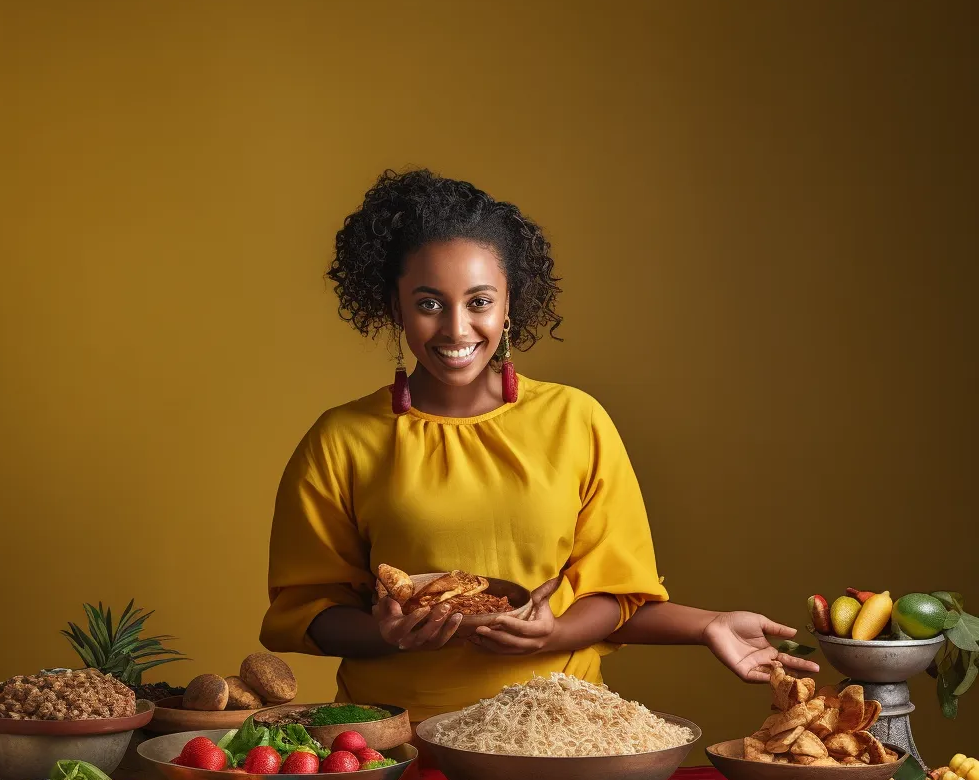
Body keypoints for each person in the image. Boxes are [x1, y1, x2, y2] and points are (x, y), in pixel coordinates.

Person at [260, 169, 817, 723]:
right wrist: (387, 634)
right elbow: (308, 607)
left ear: (509, 306)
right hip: (399, 742)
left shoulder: (576, 420)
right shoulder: (340, 440)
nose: (457, 329)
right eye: (429, 304)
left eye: (479, 301)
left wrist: (562, 633)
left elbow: (614, 592)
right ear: (395, 306)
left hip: (563, 732)